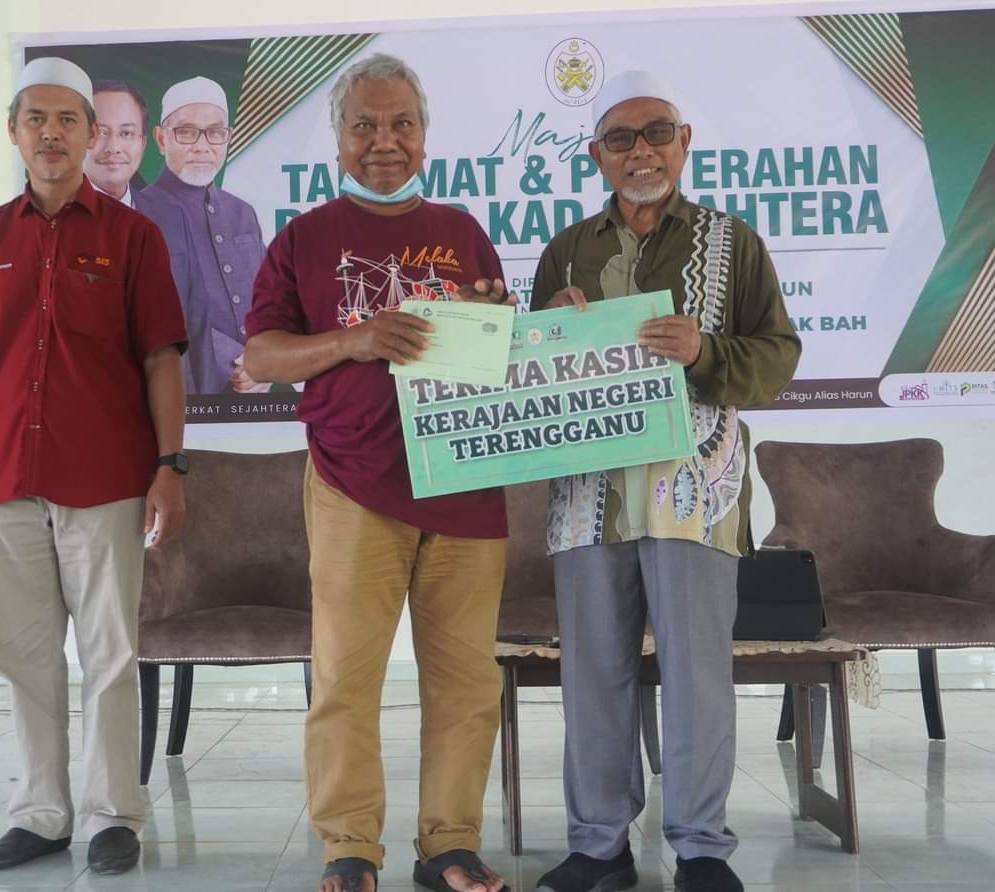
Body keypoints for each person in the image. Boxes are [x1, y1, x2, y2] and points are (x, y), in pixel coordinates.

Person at [244, 53, 513, 892]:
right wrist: (355, 339)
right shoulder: (305, 237)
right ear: (339, 139)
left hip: (465, 487)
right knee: (346, 679)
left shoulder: (463, 230)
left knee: (467, 682)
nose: (384, 141)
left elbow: (499, 353)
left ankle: (450, 846)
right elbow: (262, 355)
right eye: (365, 125)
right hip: (352, 483)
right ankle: (350, 847)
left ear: (425, 136)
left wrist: (508, 326)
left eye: (401, 124)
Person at [530, 71, 801, 892]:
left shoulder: (733, 242)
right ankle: (598, 846)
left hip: (695, 495)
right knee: (594, 675)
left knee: (695, 675)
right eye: (621, 138)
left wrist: (703, 352)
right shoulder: (565, 250)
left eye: (656, 133)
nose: (640, 151)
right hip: (589, 496)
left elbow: (778, 359)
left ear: (684, 142)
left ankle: (701, 849)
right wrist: (547, 334)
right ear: (597, 156)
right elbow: (531, 378)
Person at [0, 57, 188, 876]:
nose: (51, 133)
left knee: (110, 653)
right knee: (22, 653)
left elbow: (161, 359)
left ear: (92, 134)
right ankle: (40, 814)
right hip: (3, 479)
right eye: (35, 119)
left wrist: (170, 464)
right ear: (13, 131)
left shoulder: (132, 237)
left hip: (106, 479)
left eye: (67, 119)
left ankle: (114, 816)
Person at [136, 75, 267, 395]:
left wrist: (267, 358)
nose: (202, 145)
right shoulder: (139, 214)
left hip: (261, 387)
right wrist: (238, 362)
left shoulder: (242, 212)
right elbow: (153, 312)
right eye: (186, 131)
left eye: (215, 132)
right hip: (185, 391)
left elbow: (270, 297)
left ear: (228, 138)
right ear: (161, 139)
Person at [83, 79, 149, 207]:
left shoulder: (165, 213)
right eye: (100, 133)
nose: (113, 147)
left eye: (126, 133)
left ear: (143, 143)